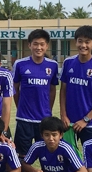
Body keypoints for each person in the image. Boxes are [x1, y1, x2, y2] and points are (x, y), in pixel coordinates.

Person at [60, 25, 92, 145]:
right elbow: (63, 91)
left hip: (89, 124)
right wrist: (63, 115)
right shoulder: (68, 63)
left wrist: (86, 119)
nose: (83, 45)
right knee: (67, 158)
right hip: (68, 122)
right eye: (80, 41)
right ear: (75, 42)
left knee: (91, 159)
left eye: (87, 42)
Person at [12, 29, 59, 157]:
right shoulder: (20, 64)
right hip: (24, 118)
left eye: (42, 44)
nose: (39, 47)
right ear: (29, 45)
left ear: (47, 46)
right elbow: (14, 88)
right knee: (22, 155)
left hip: (44, 119)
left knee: (46, 154)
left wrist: (48, 110)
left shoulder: (53, 65)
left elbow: (52, 89)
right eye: (35, 44)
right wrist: (20, 107)